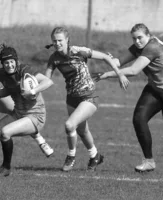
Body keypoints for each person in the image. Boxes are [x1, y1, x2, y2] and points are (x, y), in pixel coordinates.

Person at [95, 23, 163, 175]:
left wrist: (106, 75)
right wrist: (107, 60)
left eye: (140, 37)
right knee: (139, 118)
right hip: (156, 89)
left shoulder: (152, 47)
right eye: (134, 38)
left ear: (148, 35)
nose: (137, 41)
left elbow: (133, 70)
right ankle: (148, 162)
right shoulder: (138, 47)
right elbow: (119, 62)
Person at [44, 26, 129, 172]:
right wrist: (31, 86)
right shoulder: (54, 58)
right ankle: (95, 156)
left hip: (89, 97)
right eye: (54, 41)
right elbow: (46, 79)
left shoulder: (78, 51)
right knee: (82, 131)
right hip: (71, 98)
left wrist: (120, 74)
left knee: (70, 125)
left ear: (67, 40)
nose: (57, 43)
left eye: (60, 40)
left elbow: (105, 57)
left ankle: (71, 156)